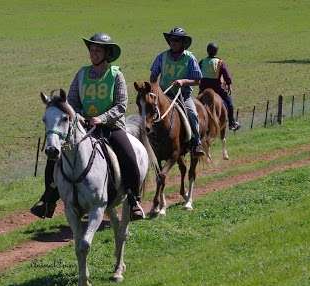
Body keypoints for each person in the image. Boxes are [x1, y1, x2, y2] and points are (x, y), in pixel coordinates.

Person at [30, 32, 145, 220]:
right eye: (92, 50)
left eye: (98, 50)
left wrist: (101, 118)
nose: (94, 53)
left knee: (129, 156)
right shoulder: (81, 74)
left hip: (110, 126)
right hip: (82, 126)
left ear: (107, 53)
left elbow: (121, 105)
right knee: (55, 157)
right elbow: (72, 101)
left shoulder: (116, 75)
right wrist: (79, 116)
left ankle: (133, 199)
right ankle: (48, 200)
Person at [149, 27, 205, 156]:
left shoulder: (190, 58)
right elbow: (153, 76)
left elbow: (198, 81)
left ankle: (196, 144)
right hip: (164, 95)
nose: (173, 42)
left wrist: (183, 82)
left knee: (192, 114)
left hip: (182, 95)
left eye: (177, 40)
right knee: (148, 112)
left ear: (183, 43)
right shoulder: (161, 57)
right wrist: (154, 88)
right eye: (171, 40)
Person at [199, 42, 240, 131]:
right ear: (216, 52)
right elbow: (226, 74)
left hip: (203, 89)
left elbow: (198, 73)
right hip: (216, 88)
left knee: (196, 102)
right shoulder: (220, 62)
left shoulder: (202, 62)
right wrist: (229, 84)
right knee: (229, 103)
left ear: (207, 51)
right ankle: (232, 123)